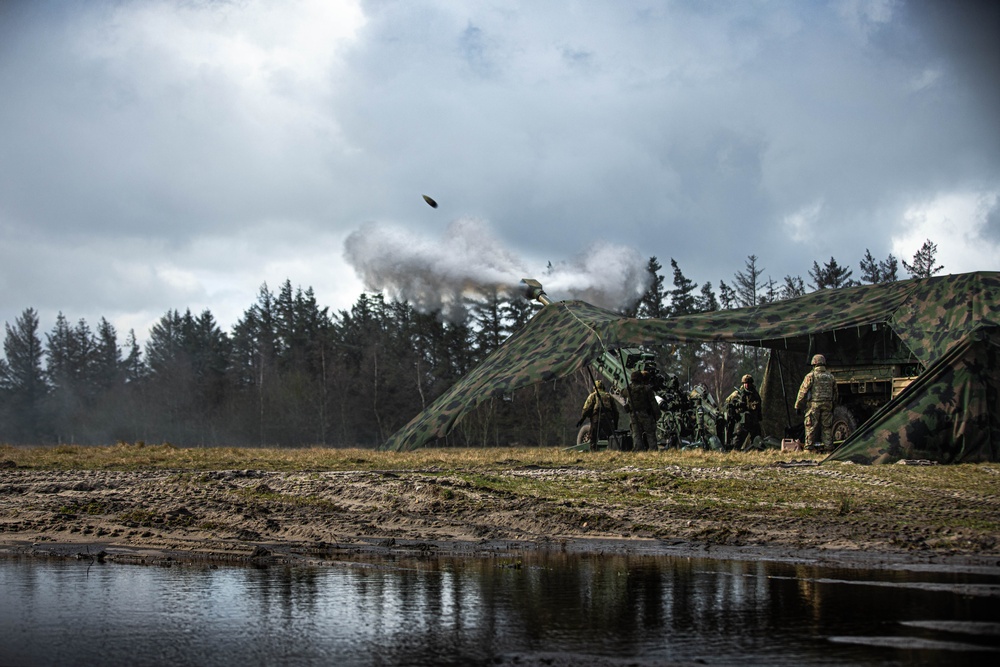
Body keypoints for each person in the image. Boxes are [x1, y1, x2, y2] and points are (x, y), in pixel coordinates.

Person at [795, 354, 839, 451]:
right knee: (827, 427)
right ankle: (828, 449)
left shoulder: (811, 376)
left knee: (810, 426)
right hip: (828, 404)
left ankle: (809, 449)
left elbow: (803, 391)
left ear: (814, 364)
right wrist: (833, 405)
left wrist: (798, 405)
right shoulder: (830, 376)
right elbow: (835, 393)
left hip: (814, 405)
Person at [577, 380, 618, 450]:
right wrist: (615, 424)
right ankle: (612, 450)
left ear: (594, 387)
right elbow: (616, 412)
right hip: (608, 418)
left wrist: (582, 419)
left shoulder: (593, 395)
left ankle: (593, 451)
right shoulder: (608, 396)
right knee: (611, 436)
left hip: (596, 418)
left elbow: (586, 408)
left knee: (593, 437)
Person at [624, 370, 659, 451]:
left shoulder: (628, 389)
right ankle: (653, 450)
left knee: (636, 434)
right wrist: (657, 415)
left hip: (634, 415)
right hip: (646, 414)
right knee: (650, 433)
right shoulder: (646, 389)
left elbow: (622, 393)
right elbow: (653, 403)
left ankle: (638, 450)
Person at [725, 374, 763, 450]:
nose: (747, 385)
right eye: (745, 383)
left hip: (754, 420)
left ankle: (757, 453)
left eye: (748, 383)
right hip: (743, 421)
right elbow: (728, 403)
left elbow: (757, 405)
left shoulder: (754, 393)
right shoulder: (738, 393)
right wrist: (737, 404)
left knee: (757, 440)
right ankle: (735, 453)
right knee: (738, 440)